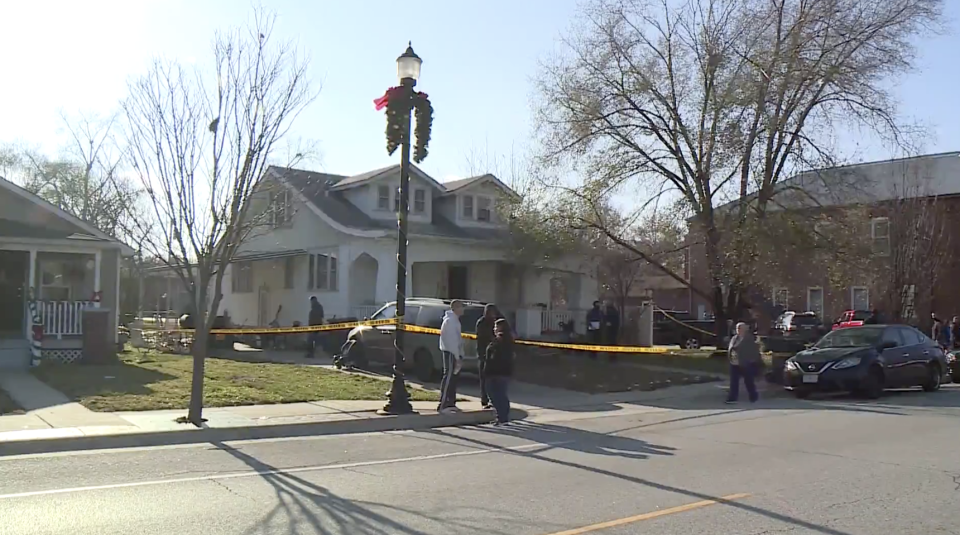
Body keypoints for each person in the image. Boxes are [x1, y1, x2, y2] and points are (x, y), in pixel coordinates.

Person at [485, 318, 515, 426]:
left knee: (497, 395)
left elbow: (496, 357)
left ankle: (502, 417)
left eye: (496, 327)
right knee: (499, 395)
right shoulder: (503, 340)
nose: (494, 329)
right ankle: (501, 416)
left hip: (497, 372)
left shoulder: (501, 341)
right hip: (501, 372)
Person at [438, 300, 464, 414]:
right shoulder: (450, 321)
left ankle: (451, 403)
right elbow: (451, 341)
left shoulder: (455, 321)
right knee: (448, 376)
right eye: (461, 307)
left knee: (454, 378)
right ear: (456, 308)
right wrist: (457, 356)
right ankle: (443, 404)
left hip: (455, 352)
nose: (463, 309)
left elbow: (458, 340)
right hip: (450, 352)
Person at [726, 322, 761, 404]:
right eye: (737, 328)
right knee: (734, 381)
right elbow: (731, 348)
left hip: (745, 363)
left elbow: (754, 351)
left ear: (744, 329)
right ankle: (732, 398)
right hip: (734, 363)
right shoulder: (734, 338)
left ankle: (753, 396)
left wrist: (752, 360)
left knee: (749, 381)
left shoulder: (749, 339)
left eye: (740, 328)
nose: (738, 330)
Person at [475, 304, 501, 410]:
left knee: (494, 378)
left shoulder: (496, 321)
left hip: (495, 354)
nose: (492, 314)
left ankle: (493, 399)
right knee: (484, 378)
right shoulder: (481, 323)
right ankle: (484, 400)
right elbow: (482, 337)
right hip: (484, 354)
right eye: (490, 312)